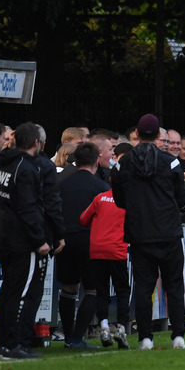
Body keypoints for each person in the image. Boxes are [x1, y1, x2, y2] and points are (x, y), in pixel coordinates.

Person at [111, 113, 185, 349]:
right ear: (157, 135)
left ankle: (145, 337)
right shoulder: (171, 162)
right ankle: (178, 335)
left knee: (144, 288)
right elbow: (181, 198)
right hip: (168, 233)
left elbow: (119, 199)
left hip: (140, 234)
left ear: (137, 133)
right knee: (174, 285)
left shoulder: (123, 163)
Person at [0, 123, 51, 360]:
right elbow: (28, 207)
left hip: (4, 237)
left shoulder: (4, 163)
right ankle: (11, 345)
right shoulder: (27, 168)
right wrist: (40, 239)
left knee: (8, 291)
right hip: (21, 242)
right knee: (19, 294)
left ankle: (2, 342)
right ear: (36, 143)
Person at [54, 142, 109, 349]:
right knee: (93, 290)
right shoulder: (101, 187)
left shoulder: (61, 183)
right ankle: (77, 338)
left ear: (75, 161)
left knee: (69, 288)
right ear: (97, 161)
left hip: (65, 240)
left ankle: (69, 337)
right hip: (90, 242)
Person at [79, 144, 132, 349]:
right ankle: (120, 328)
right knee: (122, 290)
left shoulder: (100, 198)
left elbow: (83, 219)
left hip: (97, 250)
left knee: (101, 291)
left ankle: (102, 327)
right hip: (117, 250)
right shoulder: (127, 201)